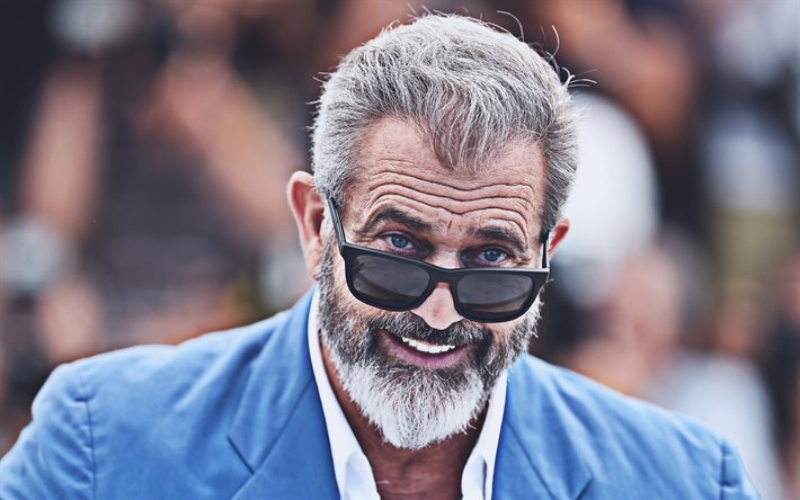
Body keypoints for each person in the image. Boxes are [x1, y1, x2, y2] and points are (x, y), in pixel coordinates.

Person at [0, 14, 759, 499]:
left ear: (547, 255)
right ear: (314, 226)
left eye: (491, 261)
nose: (440, 313)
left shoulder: (688, 481)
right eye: (399, 247)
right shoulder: (104, 446)